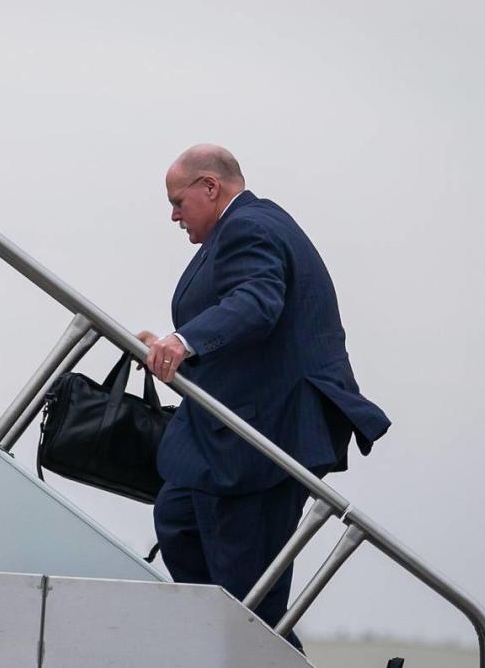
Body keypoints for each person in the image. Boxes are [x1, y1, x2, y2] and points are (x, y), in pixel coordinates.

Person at [138, 144, 390, 650]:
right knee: (179, 519)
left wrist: (184, 342)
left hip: (264, 436)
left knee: (250, 600)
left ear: (210, 187)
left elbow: (257, 300)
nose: (173, 215)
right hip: (226, 436)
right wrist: (172, 348)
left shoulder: (250, 227)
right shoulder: (244, 228)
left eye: (178, 201)